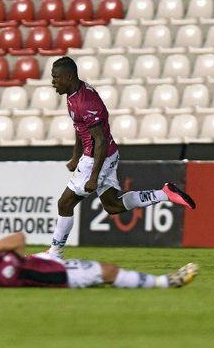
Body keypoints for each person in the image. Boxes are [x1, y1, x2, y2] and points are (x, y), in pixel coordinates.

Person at [47, 56, 196, 258]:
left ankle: (55, 254)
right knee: (113, 206)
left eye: (56, 77)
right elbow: (80, 127)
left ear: (68, 76)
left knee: (64, 203)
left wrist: (93, 176)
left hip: (97, 157)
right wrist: (75, 156)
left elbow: (98, 140)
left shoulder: (85, 102)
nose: (53, 82)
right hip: (105, 153)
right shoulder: (74, 93)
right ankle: (164, 193)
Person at [0, 224, 199, 289]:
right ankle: (164, 283)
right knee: (108, 271)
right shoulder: (3, 274)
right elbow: (18, 240)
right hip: (55, 275)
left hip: (41, 261)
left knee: (107, 272)